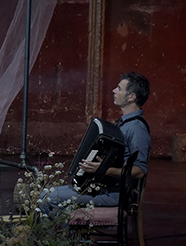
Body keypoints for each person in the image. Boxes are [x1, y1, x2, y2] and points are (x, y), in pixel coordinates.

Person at [43, 72, 151, 212]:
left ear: (131, 97)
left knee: (46, 199)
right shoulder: (123, 123)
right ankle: (63, 226)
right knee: (44, 195)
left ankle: (61, 227)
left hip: (115, 194)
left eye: (119, 88)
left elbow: (140, 171)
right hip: (102, 188)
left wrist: (104, 170)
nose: (114, 90)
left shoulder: (136, 128)